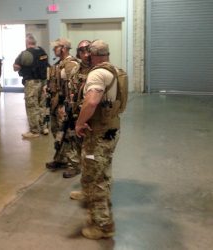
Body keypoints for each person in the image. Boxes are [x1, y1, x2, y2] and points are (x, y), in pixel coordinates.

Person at [73, 39, 127, 239]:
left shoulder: (97, 73)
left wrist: (79, 123)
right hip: (111, 129)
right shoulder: (115, 70)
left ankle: (103, 225)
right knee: (100, 169)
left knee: (97, 176)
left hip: (98, 133)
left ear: (91, 54)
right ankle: (93, 203)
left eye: (86, 52)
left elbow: (92, 100)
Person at [45, 38, 80, 171]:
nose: (54, 50)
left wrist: (69, 106)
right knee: (57, 133)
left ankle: (74, 164)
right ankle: (61, 159)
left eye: (56, 47)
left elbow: (74, 88)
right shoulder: (59, 63)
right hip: (55, 104)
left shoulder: (71, 65)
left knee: (68, 135)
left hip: (64, 105)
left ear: (63, 48)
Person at [61, 40, 92, 178]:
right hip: (75, 112)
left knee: (91, 150)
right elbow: (70, 89)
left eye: (88, 50)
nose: (85, 54)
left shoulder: (98, 70)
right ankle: (76, 166)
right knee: (73, 140)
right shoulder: (75, 69)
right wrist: (65, 105)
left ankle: (91, 178)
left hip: (92, 115)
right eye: (82, 51)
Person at [13, 33, 49, 138]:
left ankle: (34, 131)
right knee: (42, 106)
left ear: (27, 43)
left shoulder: (25, 53)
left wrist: (21, 67)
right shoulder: (42, 51)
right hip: (43, 82)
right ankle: (44, 127)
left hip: (32, 83)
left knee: (32, 106)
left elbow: (16, 67)